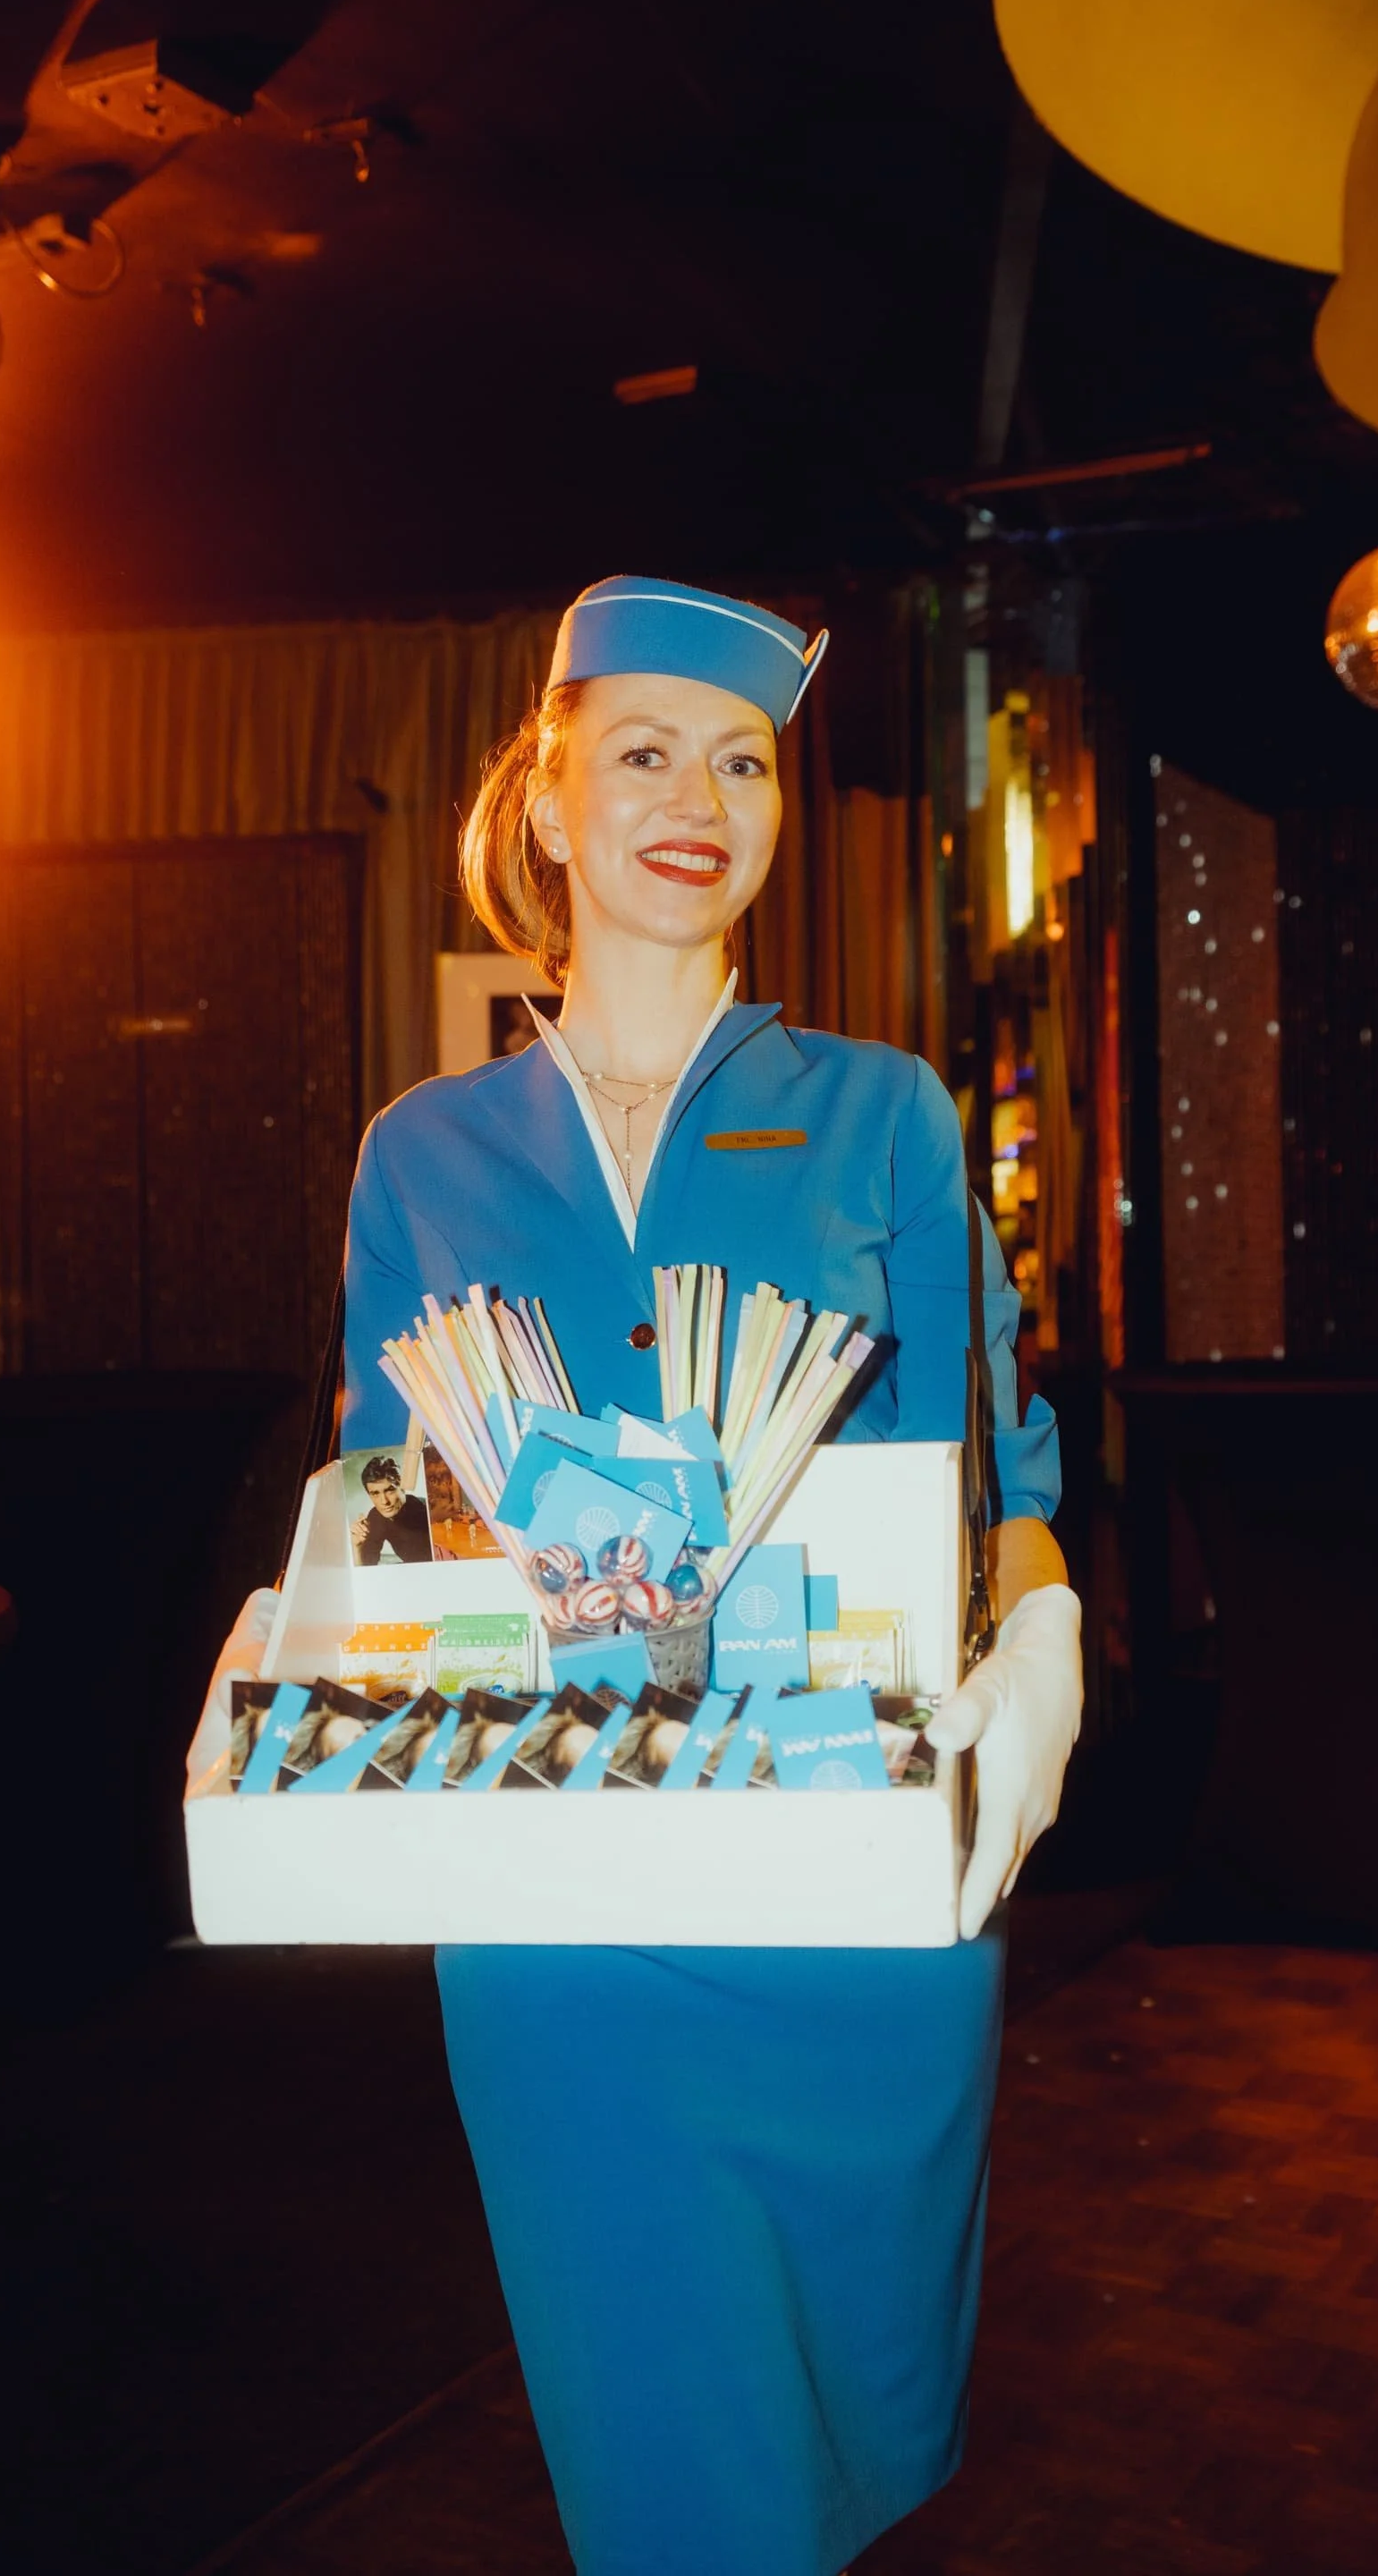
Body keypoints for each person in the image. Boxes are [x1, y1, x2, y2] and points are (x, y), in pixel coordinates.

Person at [193, 574, 1083, 2575]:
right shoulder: (425, 1152)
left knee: (852, 2442)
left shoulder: (881, 1114)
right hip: (559, 1899)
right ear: (548, 796)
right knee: (677, 2480)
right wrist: (294, 1629)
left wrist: (1047, 1634)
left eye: (743, 763)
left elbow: (994, 1469)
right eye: (647, 752)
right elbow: (386, 1492)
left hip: (849, 1880)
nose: (700, 800)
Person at [350, 1450, 430, 1563]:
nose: (384, 1501)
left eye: (389, 1490)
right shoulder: (376, 1517)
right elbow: (367, 1567)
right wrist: (357, 1547)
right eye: (375, 1494)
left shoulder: (426, 1509)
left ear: (403, 1487)